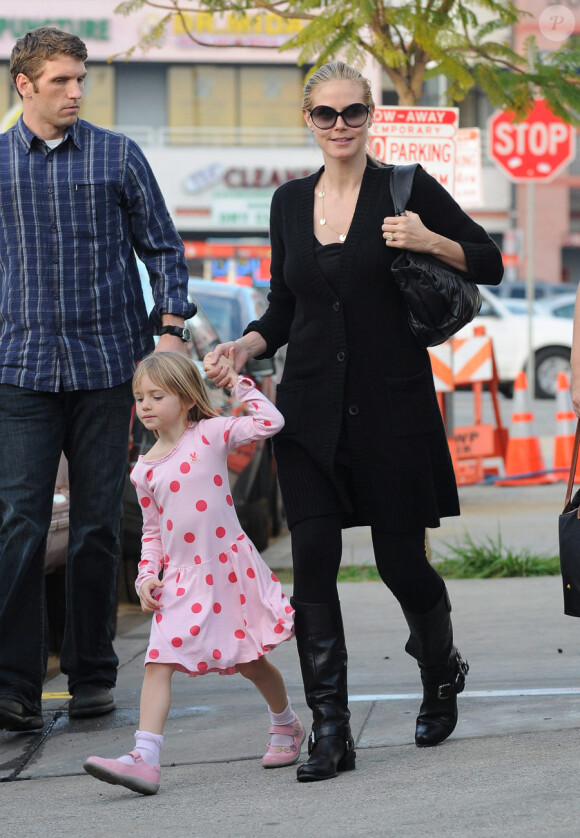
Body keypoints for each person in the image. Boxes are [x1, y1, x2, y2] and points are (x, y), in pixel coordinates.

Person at [207, 61, 504, 782]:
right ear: (307, 121)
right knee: (313, 567)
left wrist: (427, 239)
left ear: (372, 116)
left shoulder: (405, 188)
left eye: (352, 113)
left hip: (392, 406)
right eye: (325, 114)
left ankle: (439, 668)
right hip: (308, 412)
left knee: (403, 565)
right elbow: (285, 304)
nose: (339, 126)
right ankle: (331, 731)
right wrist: (246, 344)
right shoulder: (287, 203)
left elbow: (489, 263)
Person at [0, 27, 195, 732]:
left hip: (109, 369)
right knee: (18, 526)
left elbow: (164, 247)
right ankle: (14, 686)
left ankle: (91, 677)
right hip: (18, 371)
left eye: (81, 79)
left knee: (96, 528)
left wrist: (169, 330)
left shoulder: (118, 155)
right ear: (24, 85)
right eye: (61, 81)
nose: (76, 91)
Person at [83, 351, 302, 795]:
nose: (144, 405)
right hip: (181, 581)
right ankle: (144, 758)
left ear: (185, 399)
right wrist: (146, 576)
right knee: (157, 663)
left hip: (227, 570)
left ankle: (286, 724)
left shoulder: (211, 434)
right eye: (139, 397)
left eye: (156, 396)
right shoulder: (144, 469)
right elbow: (152, 532)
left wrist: (236, 383)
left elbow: (270, 422)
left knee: (250, 662)